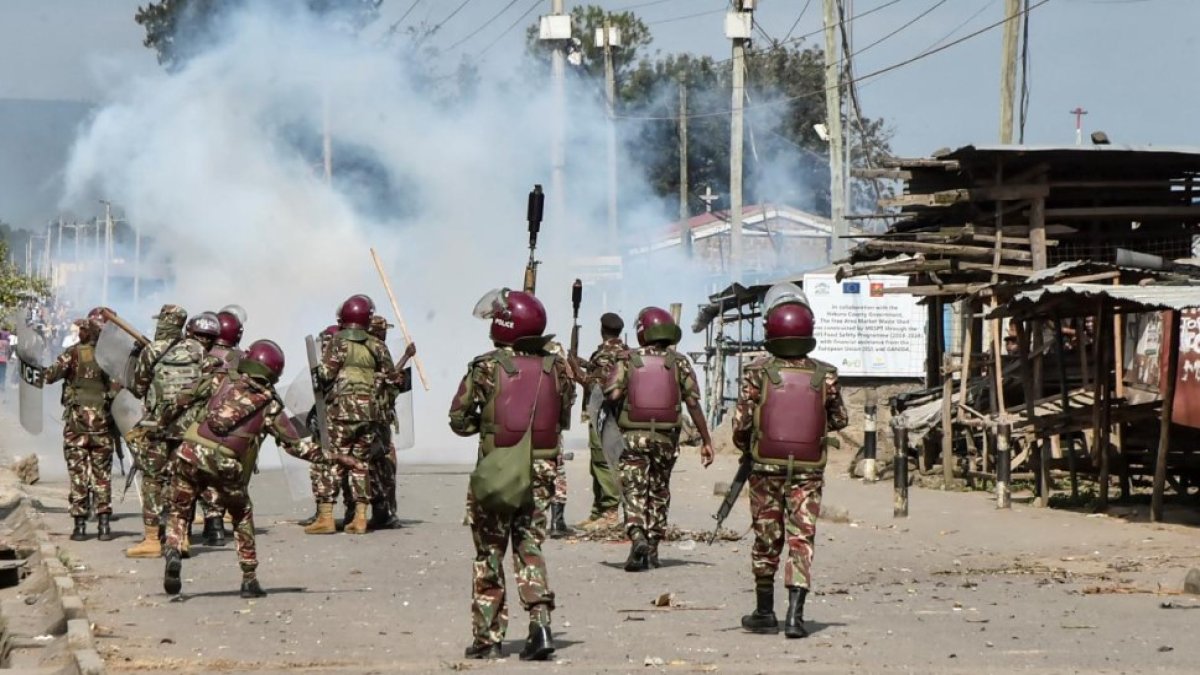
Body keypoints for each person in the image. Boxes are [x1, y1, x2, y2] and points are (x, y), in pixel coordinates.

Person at [160, 340, 362, 598]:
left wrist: (158, 428)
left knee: (179, 507)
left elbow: (181, 400)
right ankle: (249, 579)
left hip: (188, 454)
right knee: (241, 513)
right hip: (225, 463)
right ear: (273, 373)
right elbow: (295, 446)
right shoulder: (269, 405)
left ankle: (174, 551)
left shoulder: (218, 381)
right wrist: (335, 458)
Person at [448, 289, 575, 661]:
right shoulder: (557, 370)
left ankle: (488, 639)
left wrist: (486, 424)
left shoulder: (486, 367)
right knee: (529, 546)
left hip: (499, 469)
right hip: (543, 469)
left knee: (489, 552)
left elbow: (457, 419)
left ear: (504, 325)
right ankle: (541, 626)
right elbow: (563, 415)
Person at [732, 287, 848, 638]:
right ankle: (796, 618)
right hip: (808, 472)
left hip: (765, 469)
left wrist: (746, 447)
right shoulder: (825, 374)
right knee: (802, 538)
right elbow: (840, 419)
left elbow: (741, 425)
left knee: (766, 536)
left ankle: (765, 612)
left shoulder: (757, 372)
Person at [606, 307, 714, 572]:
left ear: (642, 331)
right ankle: (652, 549)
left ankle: (637, 535)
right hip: (666, 439)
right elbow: (693, 404)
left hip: (633, 438)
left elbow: (613, 395)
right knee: (658, 490)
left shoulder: (627, 359)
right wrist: (706, 440)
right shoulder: (679, 362)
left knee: (633, 490)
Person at [124, 306, 214, 558]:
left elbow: (137, 387)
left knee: (153, 480)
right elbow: (208, 381)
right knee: (184, 481)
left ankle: (152, 539)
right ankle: (181, 537)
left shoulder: (152, 350)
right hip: (189, 427)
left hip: (157, 427)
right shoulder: (197, 350)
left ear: (163, 322)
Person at [312, 295, 396, 535]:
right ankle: (360, 517)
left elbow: (326, 375)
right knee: (361, 463)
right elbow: (391, 378)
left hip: (341, 411)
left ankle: (326, 517)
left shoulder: (338, 342)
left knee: (333, 459)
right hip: (369, 414)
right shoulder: (377, 345)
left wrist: (317, 373)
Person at [43, 318, 117, 541]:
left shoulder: (72, 354)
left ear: (86, 333)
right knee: (102, 475)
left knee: (78, 475)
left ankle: (80, 526)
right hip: (103, 426)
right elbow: (118, 391)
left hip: (77, 426)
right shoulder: (110, 358)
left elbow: (48, 376)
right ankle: (104, 525)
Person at [575, 312, 626, 531]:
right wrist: (584, 363)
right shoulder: (621, 352)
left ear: (602, 329)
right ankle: (598, 510)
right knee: (597, 462)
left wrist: (576, 372)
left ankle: (610, 512)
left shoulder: (606, 354)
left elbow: (596, 386)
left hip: (604, 413)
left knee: (603, 461)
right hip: (611, 414)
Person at [365, 315, 416, 530]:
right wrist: (406, 356)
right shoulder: (372, 354)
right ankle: (378, 512)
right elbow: (389, 377)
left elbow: (391, 379)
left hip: (379, 422)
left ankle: (384, 512)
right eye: (383, 331)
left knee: (384, 469)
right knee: (380, 468)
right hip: (374, 424)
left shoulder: (370, 353)